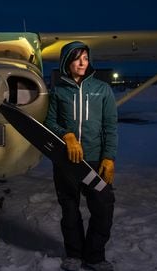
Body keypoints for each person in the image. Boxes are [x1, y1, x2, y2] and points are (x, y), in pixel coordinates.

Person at [44, 41, 118, 271]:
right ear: (67, 62)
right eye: (77, 58)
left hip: (94, 161)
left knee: (103, 207)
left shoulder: (103, 89)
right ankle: (74, 254)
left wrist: (109, 157)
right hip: (66, 161)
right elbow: (50, 122)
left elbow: (110, 127)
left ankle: (94, 255)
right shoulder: (58, 91)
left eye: (85, 57)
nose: (82, 62)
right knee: (69, 209)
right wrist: (66, 136)